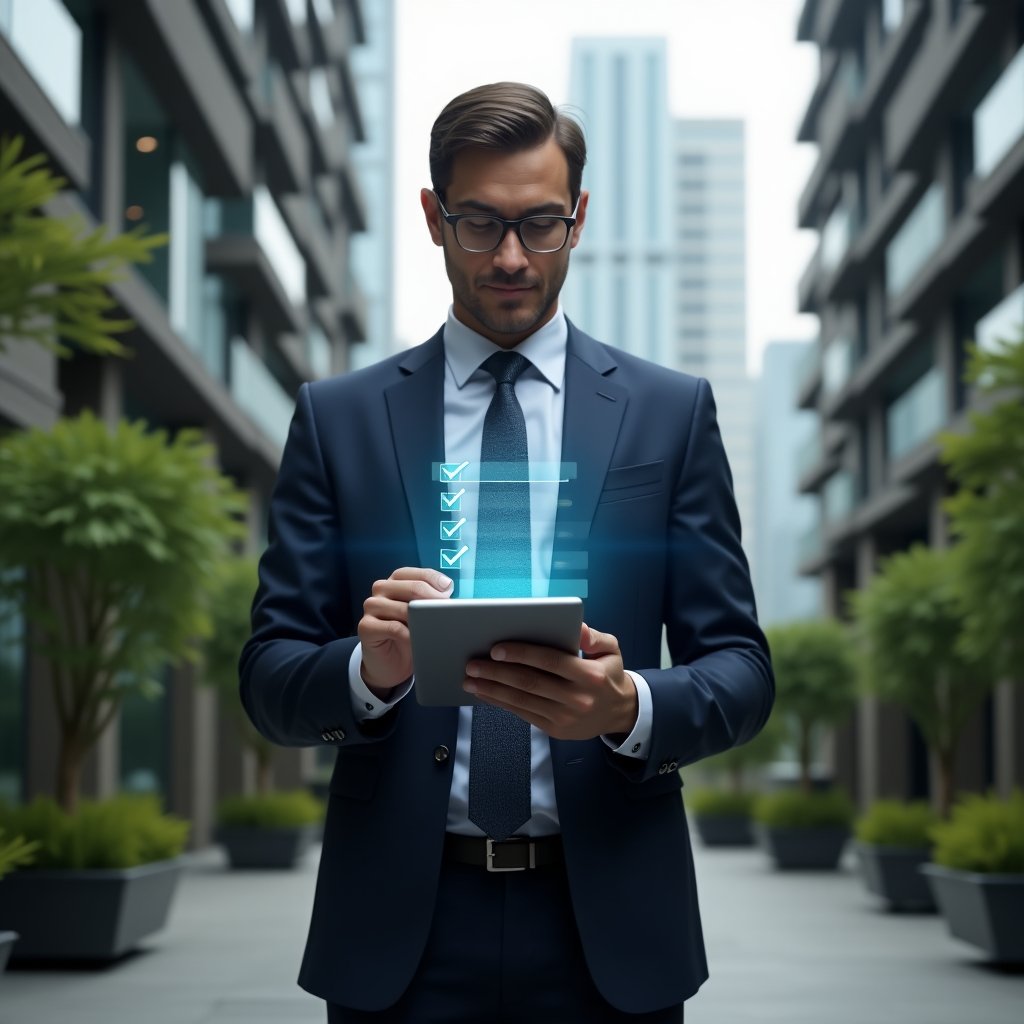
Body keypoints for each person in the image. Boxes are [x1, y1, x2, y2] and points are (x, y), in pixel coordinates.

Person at [240, 81, 773, 1024]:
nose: (514, 257)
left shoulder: (669, 411)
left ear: (581, 217)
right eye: (481, 223)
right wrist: (367, 672)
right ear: (433, 218)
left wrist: (630, 706)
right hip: (401, 930)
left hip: (608, 925)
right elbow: (269, 675)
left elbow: (741, 669)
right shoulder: (340, 419)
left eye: (542, 224)